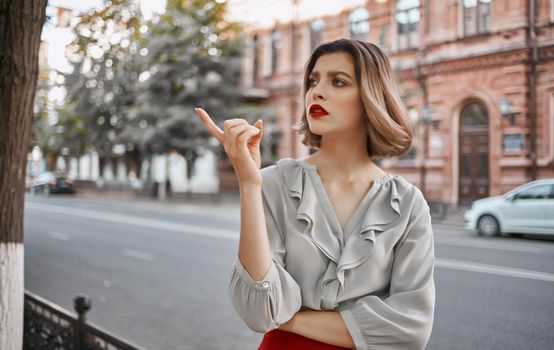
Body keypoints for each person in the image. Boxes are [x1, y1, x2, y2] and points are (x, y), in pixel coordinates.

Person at [195, 38, 435, 350]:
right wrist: (249, 185)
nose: (316, 91)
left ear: (371, 97)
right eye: (313, 81)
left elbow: (410, 329)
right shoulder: (272, 183)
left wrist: (288, 317)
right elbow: (258, 311)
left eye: (338, 81)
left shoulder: (408, 203)